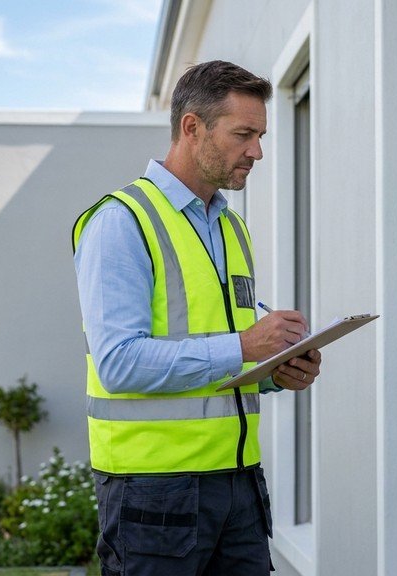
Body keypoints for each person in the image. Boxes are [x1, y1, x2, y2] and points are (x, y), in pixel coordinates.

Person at [72, 60, 322, 576]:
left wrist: (277, 371)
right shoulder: (121, 223)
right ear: (192, 128)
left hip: (239, 486)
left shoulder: (231, 228)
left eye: (260, 135)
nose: (257, 151)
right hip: (153, 500)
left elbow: (224, 348)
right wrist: (246, 345)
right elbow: (118, 363)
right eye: (243, 134)